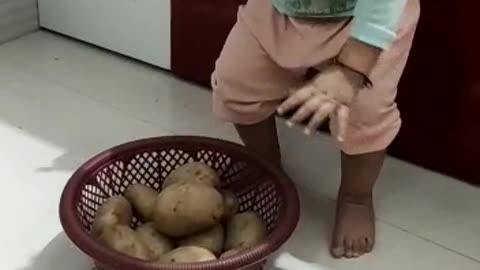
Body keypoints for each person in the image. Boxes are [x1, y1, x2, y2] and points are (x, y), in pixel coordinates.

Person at [211, 0, 420, 259]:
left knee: (366, 111)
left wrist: (352, 70)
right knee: (237, 80)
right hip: (279, 11)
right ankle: (266, 164)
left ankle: (356, 196)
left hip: (369, 24)